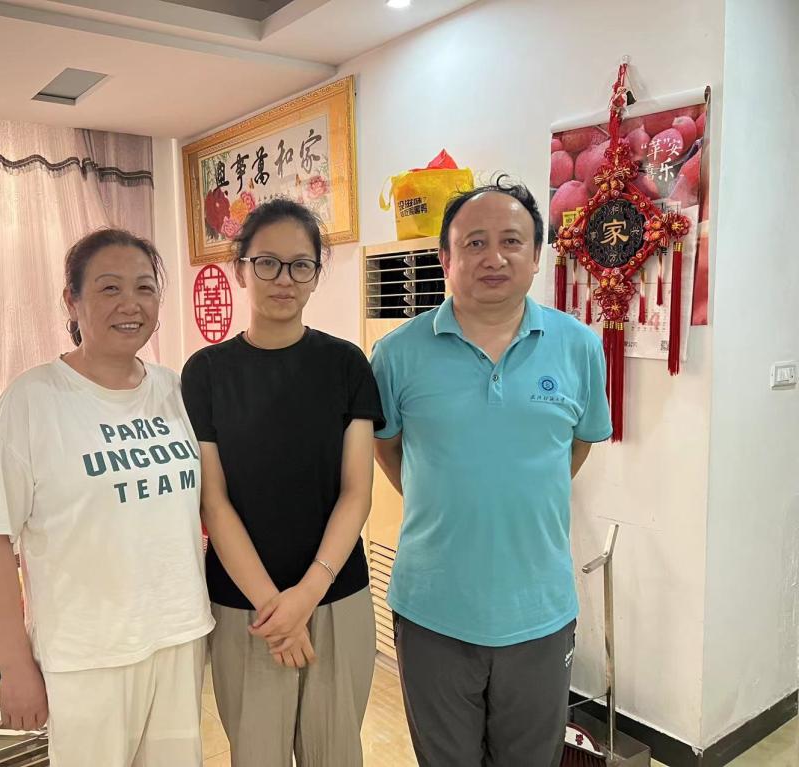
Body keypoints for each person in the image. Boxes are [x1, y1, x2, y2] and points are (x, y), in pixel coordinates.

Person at [371, 177, 613, 767]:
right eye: (474, 242)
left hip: (540, 608)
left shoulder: (579, 347)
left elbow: (577, 446)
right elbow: (389, 449)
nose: (494, 257)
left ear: (537, 255)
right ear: (445, 258)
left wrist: (515, 492)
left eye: (511, 241)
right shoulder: (397, 354)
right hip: (432, 608)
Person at [0, 228, 213, 766]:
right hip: (85, 655)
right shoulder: (32, 400)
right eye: (109, 288)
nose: (131, 304)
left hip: (178, 635)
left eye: (145, 288)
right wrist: (15, 667)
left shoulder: (176, 391)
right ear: (72, 300)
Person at [181, 198, 383, 767]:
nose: (284, 279)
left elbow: (357, 493)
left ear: (316, 274)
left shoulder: (346, 365)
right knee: (256, 755)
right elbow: (214, 502)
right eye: (267, 263)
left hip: (337, 597)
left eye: (301, 265)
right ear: (241, 268)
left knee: (335, 755)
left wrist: (307, 596)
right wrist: (277, 610)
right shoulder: (206, 373)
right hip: (244, 606)